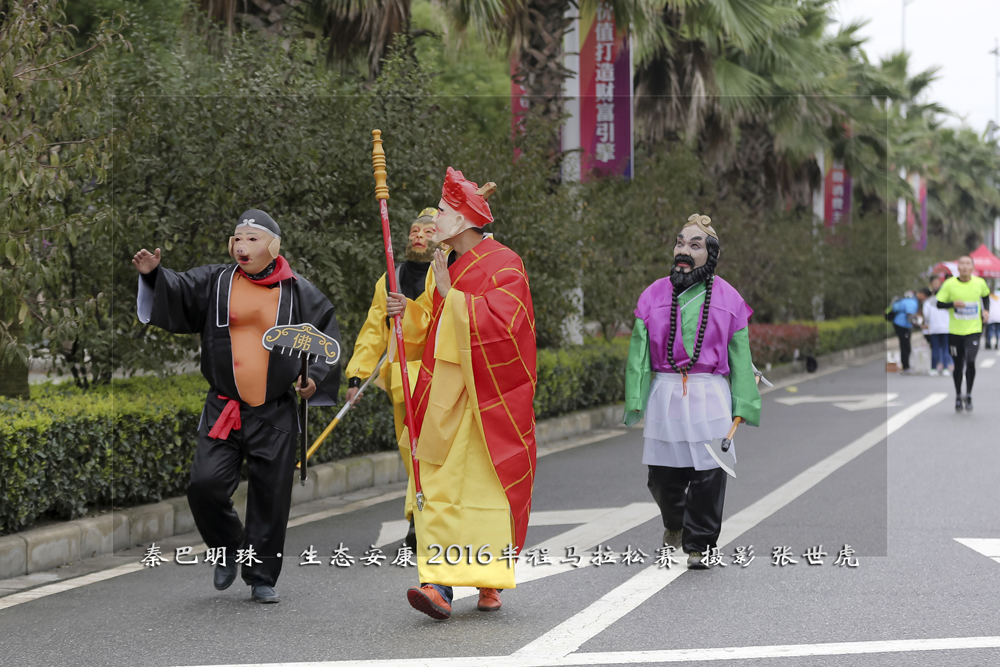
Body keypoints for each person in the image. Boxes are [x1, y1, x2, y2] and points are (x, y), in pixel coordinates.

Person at [132, 210, 342, 603]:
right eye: (237, 239)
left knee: (270, 496)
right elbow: (178, 290)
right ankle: (229, 545)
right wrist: (154, 275)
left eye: (252, 239)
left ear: (273, 246)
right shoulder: (216, 281)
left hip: (275, 410)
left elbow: (325, 341)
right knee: (204, 485)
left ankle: (261, 576)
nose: (242, 246)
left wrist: (313, 377)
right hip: (224, 406)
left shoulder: (300, 292)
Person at [401, 167, 536, 619]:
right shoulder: (445, 264)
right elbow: (432, 326)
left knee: (486, 489)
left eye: (441, 212)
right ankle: (437, 584)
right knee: (438, 484)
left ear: (461, 220)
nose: (434, 219)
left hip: (490, 398)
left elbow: (509, 328)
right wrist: (415, 309)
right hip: (446, 393)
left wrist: (453, 297)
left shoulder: (505, 262)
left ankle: (488, 578)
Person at [623, 214, 761, 569]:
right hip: (666, 390)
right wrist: (635, 398)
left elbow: (741, 357)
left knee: (709, 473)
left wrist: (744, 401)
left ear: (711, 255)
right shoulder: (652, 295)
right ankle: (675, 522)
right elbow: (638, 354)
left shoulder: (729, 298)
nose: (683, 251)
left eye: (694, 245)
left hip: (709, 391)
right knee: (661, 477)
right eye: (680, 243)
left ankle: (700, 545)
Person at [345, 209, 441, 546]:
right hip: (402, 379)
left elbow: (445, 318)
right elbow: (374, 329)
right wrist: (356, 376)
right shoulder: (390, 277)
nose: (419, 236)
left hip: (438, 374)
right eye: (415, 231)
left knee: (432, 450)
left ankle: (422, 518)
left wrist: (409, 311)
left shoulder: (446, 273)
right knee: (410, 449)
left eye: (427, 232)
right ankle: (420, 516)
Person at [936, 255, 991, 411]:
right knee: (958, 365)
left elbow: (985, 296)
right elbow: (939, 303)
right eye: (962, 264)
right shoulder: (949, 284)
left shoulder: (979, 283)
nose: (965, 267)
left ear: (972, 267)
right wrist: (952, 304)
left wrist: (986, 310)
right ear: (958, 267)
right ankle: (958, 395)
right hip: (955, 332)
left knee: (971, 361)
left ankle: (969, 394)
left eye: (968, 264)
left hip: (974, 330)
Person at [889, 290, 925, 374]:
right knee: (905, 346)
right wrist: (919, 325)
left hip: (899, 324)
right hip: (903, 325)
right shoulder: (912, 302)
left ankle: (905, 366)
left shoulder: (905, 300)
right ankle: (906, 367)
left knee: (904, 345)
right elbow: (910, 317)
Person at [923, 285, 953, 376]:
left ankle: (933, 368)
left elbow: (926, 315)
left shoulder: (928, 302)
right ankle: (945, 368)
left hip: (934, 328)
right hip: (946, 328)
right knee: (945, 349)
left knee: (935, 349)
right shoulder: (947, 301)